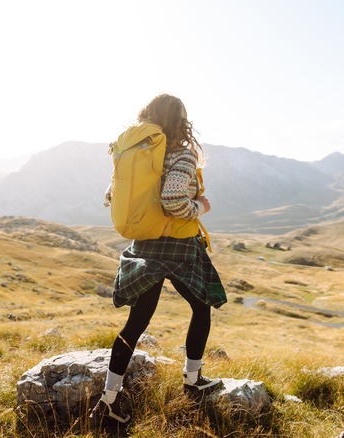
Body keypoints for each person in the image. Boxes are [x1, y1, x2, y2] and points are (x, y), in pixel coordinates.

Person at [90, 94, 227, 425]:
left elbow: (112, 194)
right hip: (178, 246)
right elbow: (172, 199)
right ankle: (193, 382)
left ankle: (108, 400)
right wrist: (199, 208)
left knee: (137, 323)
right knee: (201, 307)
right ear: (180, 121)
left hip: (146, 244)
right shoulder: (181, 155)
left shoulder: (137, 155)